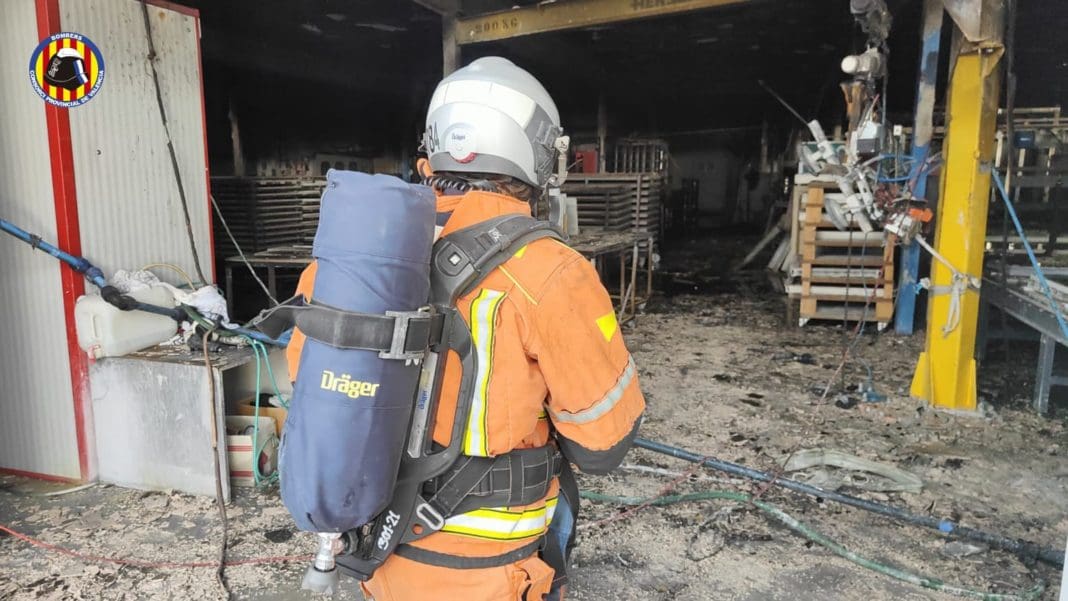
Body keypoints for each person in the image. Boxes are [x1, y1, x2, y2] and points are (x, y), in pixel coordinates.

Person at [286, 57, 645, 601]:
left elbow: (310, 386)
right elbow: (603, 445)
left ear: (432, 153)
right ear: (540, 158)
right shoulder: (551, 271)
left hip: (380, 555)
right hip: (490, 573)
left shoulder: (352, 264)